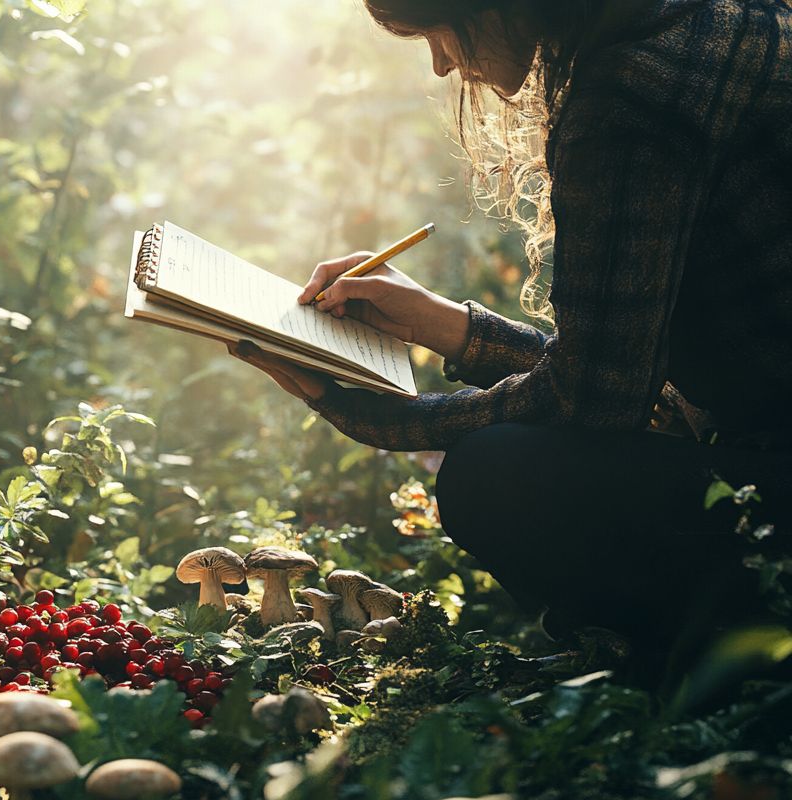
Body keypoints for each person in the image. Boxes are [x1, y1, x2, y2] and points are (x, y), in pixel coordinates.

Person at [230, 0, 792, 662]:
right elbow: (627, 382)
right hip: (760, 449)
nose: (441, 63)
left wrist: (388, 420)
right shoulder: (712, 21)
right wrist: (448, 327)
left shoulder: (631, 97)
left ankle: (703, 668)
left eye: (439, 31)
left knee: (495, 476)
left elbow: (595, 402)